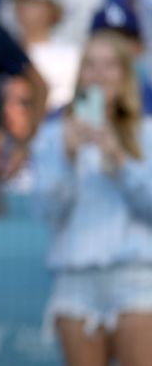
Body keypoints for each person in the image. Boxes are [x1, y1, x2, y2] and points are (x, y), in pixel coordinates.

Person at [31, 31, 152, 366]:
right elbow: (46, 210)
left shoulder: (147, 133)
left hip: (137, 278)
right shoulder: (55, 136)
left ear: (125, 74)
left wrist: (120, 163)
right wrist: (67, 160)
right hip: (75, 282)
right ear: (80, 73)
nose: (100, 75)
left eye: (110, 65)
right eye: (91, 65)